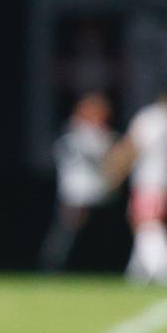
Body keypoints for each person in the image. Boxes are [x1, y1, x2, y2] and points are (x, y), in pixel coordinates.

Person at [103, 89, 167, 283]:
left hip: (150, 181)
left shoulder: (152, 119)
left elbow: (132, 146)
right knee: (143, 222)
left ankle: (165, 267)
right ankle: (139, 269)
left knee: (149, 224)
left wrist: (115, 171)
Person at [38, 92, 116, 273]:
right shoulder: (75, 136)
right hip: (76, 197)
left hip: (98, 198)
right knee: (66, 237)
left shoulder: (99, 135)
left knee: (98, 241)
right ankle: (52, 270)